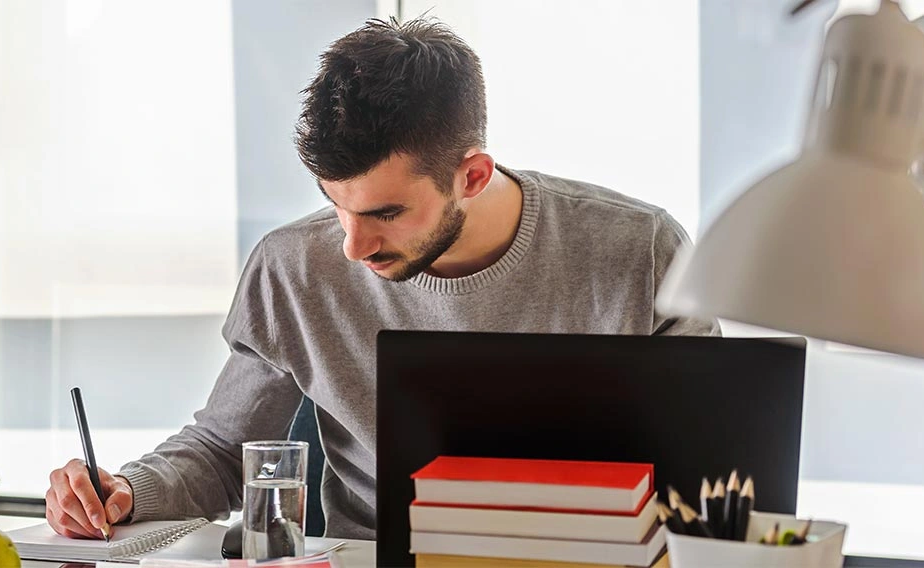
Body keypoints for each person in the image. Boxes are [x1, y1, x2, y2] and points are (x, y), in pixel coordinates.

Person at [44, 17, 719, 541]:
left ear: (472, 176)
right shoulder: (293, 266)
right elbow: (224, 451)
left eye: (385, 213)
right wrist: (127, 489)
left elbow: (714, 477)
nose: (351, 245)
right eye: (335, 204)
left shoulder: (640, 252)